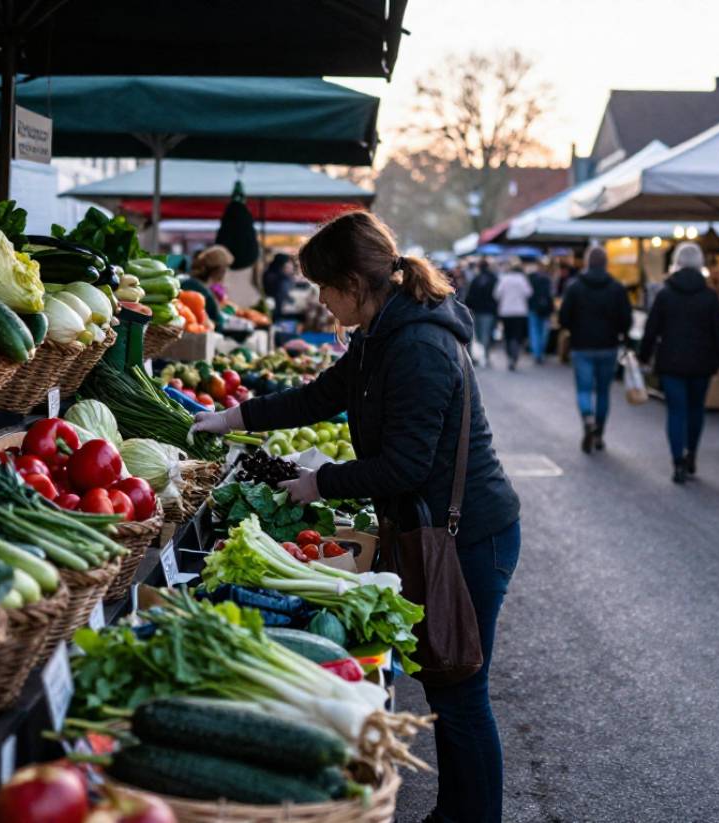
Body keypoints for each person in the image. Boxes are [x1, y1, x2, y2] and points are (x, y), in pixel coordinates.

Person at [190, 210, 522, 823]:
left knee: (460, 689)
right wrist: (233, 418)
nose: (319, 300)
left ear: (353, 283)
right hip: (434, 525)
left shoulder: (419, 345)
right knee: (447, 686)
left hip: (469, 535)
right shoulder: (381, 335)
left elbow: (405, 466)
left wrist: (316, 484)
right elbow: (322, 395)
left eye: (323, 286)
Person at [639, 242, 719, 484]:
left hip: (671, 361)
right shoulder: (710, 296)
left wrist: (642, 356)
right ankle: (692, 453)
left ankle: (677, 461)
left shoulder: (665, 294)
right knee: (696, 409)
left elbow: (651, 329)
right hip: (702, 361)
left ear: (676, 263)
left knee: (676, 411)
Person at [558, 245, 633, 453]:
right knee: (603, 391)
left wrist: (574, 328)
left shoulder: (574, 287)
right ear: (606, 263)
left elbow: (564, 318)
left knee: (583, 389)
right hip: (608, 345)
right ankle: (599, 431)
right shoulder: (617, 288)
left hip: (581, 345)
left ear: (587, 263)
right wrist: (619, 332)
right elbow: (626, 319)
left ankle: (587, 417)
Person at [493, 262, 532, 371]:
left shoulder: (504, 279)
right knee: (517, 334)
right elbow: (529, 293)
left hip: (506, 311)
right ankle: (515, 354)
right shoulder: (522, 279)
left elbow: (496, 294)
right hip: (520, 311)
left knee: (508, 333)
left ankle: (510, 354)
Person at [180, 244, 231, 326]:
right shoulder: (202, 291)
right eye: (226, 268)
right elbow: (219, 323)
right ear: (219, 271)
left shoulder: (189, 281)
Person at [462, 261, 499, 367]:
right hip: (490, 311)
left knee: (479, 333)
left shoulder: (475, 279)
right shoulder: (493, 279)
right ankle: (486, 355)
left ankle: (484, 354)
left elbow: (470, 296)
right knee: (486, 333)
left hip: (477, 310)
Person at [526, 266, 555, 364]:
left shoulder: (531, 280)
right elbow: (551, 295)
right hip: (545, 310)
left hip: (533, 308)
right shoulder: (547, 280)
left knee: (534, 332)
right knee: (544, 332)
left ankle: (536, 353)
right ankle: (540, 352)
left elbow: (528, 295)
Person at [262, 252, 297, 319]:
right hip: (275, 311)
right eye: (288, 264)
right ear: (281, 265)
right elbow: (280, 297)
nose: (291, 266)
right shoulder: (280, 279)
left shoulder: (270, 273)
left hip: (271, 308)